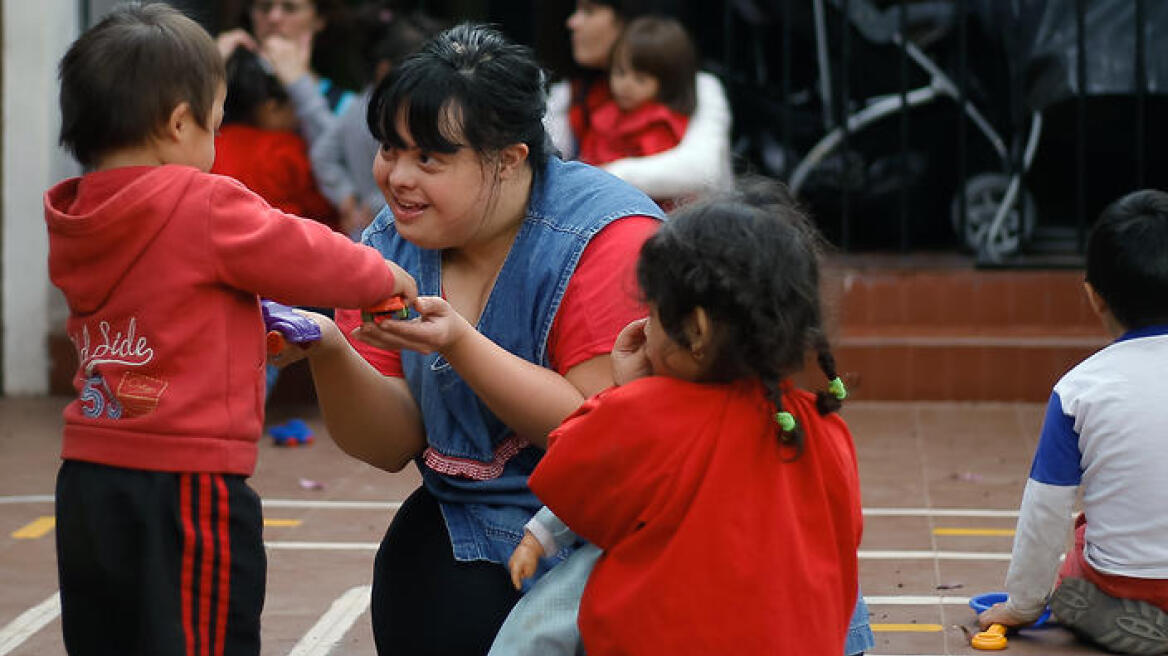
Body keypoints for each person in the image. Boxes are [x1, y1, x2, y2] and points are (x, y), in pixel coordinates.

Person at [283, 23, 666, 655]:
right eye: (388, 149)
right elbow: (389, 444)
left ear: (509, 158)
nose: (396, 177)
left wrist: (460, 343)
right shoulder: (384, 244)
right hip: (468, 514)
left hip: (608, 524)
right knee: (417, 566)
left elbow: (600, 435)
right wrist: (328, 347)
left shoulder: (607, 236)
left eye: (428, 158)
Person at [46, 5, 416, 654]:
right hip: (185, 485)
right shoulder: (203, 200)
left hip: (89, 478)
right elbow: (304, 253)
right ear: (179, 123)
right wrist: (382, 276)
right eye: (215, 122)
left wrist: (239, 334)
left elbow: (164, 306)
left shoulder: (77, 215)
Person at [494, 181, 862, 654]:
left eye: (651, 311)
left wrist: (624, 391)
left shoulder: (648, 413)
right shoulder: (823, 428)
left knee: (533, 630)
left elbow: (572, 473)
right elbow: (842, 535)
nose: (644, 327)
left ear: (696, 330)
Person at [977, 189, 1168, 655]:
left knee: (1074, 572)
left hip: (1130, 589)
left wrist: (1022, 606)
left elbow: (1046, 511)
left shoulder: (1078, 390)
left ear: (1092, 295)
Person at [546, 0, 733, 200]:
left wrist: (595, 177)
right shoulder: (570, 93)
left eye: (589, 11)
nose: (573, 22)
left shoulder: (698, 85)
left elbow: (702, 171)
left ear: (625, 19)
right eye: (619, 73)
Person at [310, 11, 441, 239]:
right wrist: (374, 202)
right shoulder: (408, 114)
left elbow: (322, 154)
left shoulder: (355, 107)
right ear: (384, 70)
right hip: (399, 226)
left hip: (363, 228)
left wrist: (346, 197)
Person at [213, 46, 338, 228]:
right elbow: (327, 206)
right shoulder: (285, 149)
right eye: (294, 104)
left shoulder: (211, 144)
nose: (297, 115)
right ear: (271, 107)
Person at [216, 0, 357, 147]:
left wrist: (299, 85)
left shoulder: (346, 105)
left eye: (290, 8)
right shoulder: (227, 82)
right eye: (264, 7)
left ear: (319, 19)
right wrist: (209, 70)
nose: (274, 18)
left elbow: (340, 159)